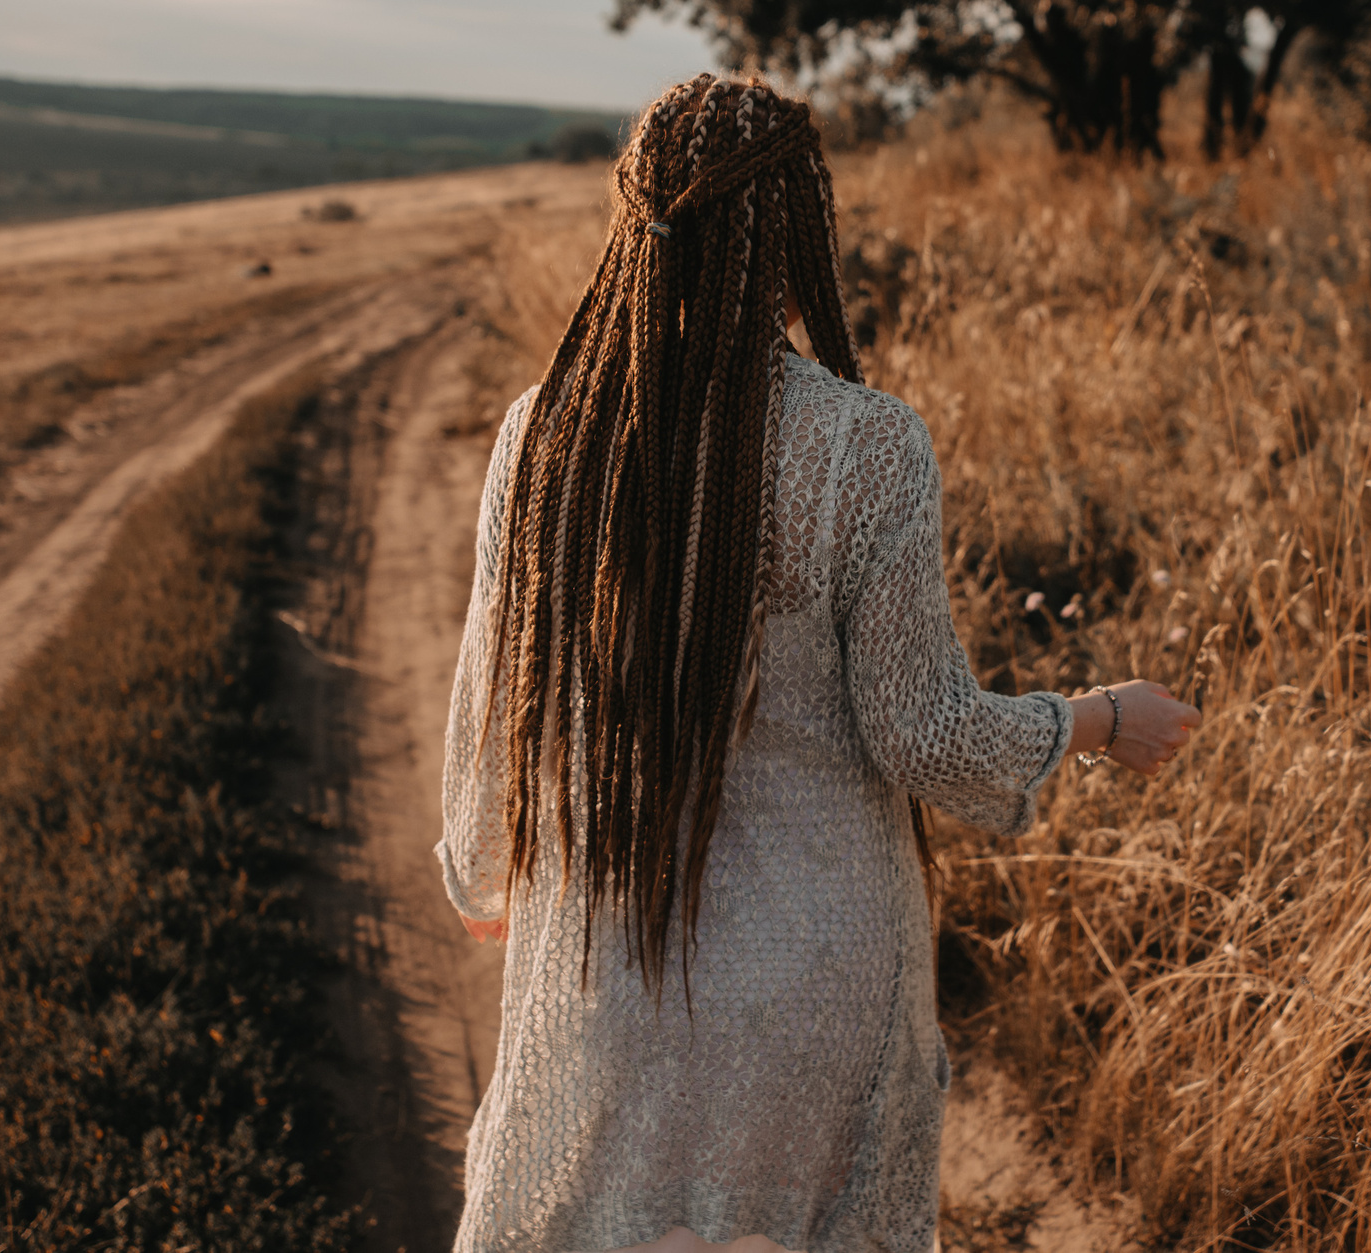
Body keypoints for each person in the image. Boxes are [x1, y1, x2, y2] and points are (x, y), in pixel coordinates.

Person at [436, 74, 1202, 1253]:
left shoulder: (544, 435)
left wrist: (488, 874)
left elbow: (499, 705)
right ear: (798, 231)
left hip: (609, 976)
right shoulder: (861, 442)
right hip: (818, 990)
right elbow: (924, 735)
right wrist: (1095, 716)